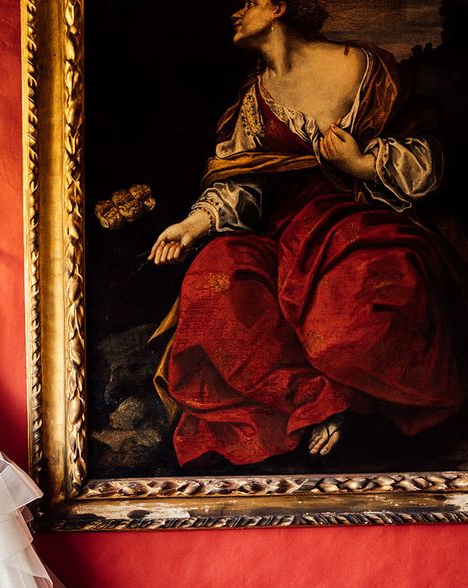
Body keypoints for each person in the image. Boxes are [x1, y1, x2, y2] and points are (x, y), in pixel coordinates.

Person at [148, 0, 468, 467]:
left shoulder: (362, 67)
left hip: (357, 222)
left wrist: (361, 164)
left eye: (249, 1)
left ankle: (351, 402)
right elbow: (241, 184)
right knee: (214, 279)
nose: (235, 11)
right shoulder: (253, 104)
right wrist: (192, 225)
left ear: (279, 7)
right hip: (282, 236)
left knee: (346, 320)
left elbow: (424, 153)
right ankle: (317, 402)